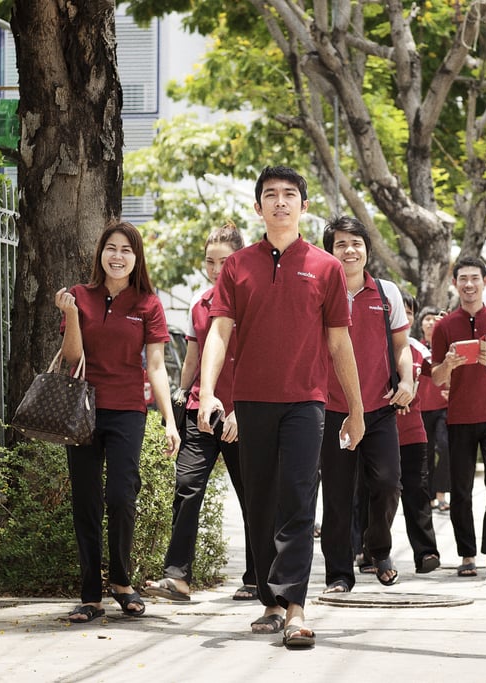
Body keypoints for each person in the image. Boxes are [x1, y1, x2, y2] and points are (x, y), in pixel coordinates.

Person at [196, 166, 365, 650]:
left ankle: (295, 607)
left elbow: (339, 343)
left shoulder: (326, 267)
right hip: (251, 399)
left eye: (289, 195)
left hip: (306, 400)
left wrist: (355, 408)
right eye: (270, 195)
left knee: (296, 495)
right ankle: (270, 602)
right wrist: (210, 392)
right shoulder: (237, 266)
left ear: (303, 206)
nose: (280, 202)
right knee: (261, 500)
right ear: (258, 207)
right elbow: (220, 333)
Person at [55, 221, 181, 624]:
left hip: (128, 409)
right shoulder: (78, 296)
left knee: (121, 496)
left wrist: (170, 421)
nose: (117, 256)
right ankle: (90, 595)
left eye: (126, 250)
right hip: (84, 410)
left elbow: (157, 366)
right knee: (86, 502)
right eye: (111, 248)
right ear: (100, 253)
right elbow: (73, 358)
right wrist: (71, 315)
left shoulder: (148, 304)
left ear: (136, 258)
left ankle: (123, 583)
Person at [144, 224, 257, 603]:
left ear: (239, 259)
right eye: (210, 261)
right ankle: (177, 578)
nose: (216, 269)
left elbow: (263, 362)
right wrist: (181, 391)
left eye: (224, 261)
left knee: (253, 496)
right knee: (187, 487)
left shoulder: (256, 299)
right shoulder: (200, 302)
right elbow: (193, 354)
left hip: (246, 412)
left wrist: (244, 409)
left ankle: (257, 577)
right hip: (201, 409)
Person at [318, 216, 414, 593]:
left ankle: (379, 549)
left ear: (367, 250)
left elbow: (402, 348)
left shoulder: (387, 293)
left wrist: (407, 380)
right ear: (330, 252)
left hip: (379, 408)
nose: (349, 250)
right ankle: (339, 575)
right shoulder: (321, 292)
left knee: (389, 484)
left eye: (356, 243)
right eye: (340, 244)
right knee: (338, 496)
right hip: (332, 410)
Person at [430, 255, 486, 578]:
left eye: (474, 278)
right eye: (462, 279)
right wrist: (449, 365)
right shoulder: (443, 326)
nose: (469, 284)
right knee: (461, 488)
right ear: (454, 284)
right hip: (459, 418)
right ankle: (467, 555)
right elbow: (436, 377)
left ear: (485, 281)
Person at [395, 291, 442, 573]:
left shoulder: (419, 350)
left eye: (409, 312)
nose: (405, 317)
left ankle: (426, 553)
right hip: (378, 433)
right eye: (400, 311)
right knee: (375, 495)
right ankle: (368, 550)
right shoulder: (373, 344)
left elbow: (438, 374)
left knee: (417, 494)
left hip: (413, 433)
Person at [417, 306, 451, 512]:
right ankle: (428, 496)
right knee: (425, 453)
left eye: (433, 319)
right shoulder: (414, 347)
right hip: (421, 408)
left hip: (443, 406)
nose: (430, 322)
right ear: (420, 324)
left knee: (445, 447)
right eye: (426, 319)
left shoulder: (446, 346)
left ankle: (441, 494)